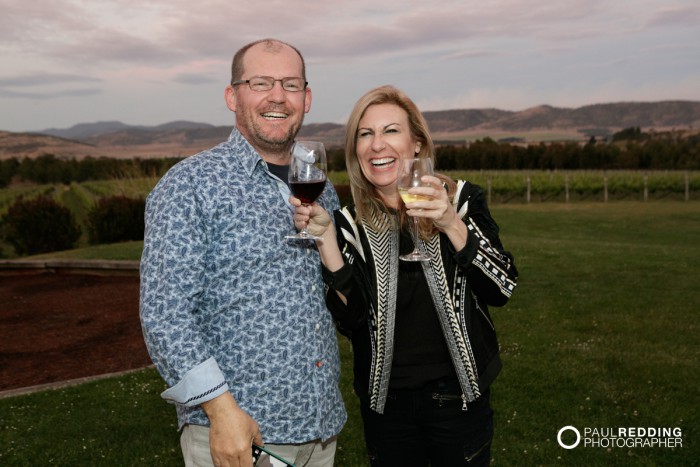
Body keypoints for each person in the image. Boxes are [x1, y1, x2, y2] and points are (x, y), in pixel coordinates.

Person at [140, 38, 346, 467]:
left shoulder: (322, 189)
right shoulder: (190, 185)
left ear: (306, 99)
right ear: (233, 95)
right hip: (242, 435)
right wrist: (221, 411)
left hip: (321, 430)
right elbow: (166, 314)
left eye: (290, 84)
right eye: (261, 82)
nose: (277, 96)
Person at [290, 85, 518, 466]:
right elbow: (352, 319)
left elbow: (501, 286)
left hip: (458, 403)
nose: (377, 145)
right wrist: (327, 241)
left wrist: (450, 223)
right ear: (355, 150)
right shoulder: (350, 223)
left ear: (416, 144)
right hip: (387, 409)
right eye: (365, 134)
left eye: (391, 131)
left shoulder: (461, 201)